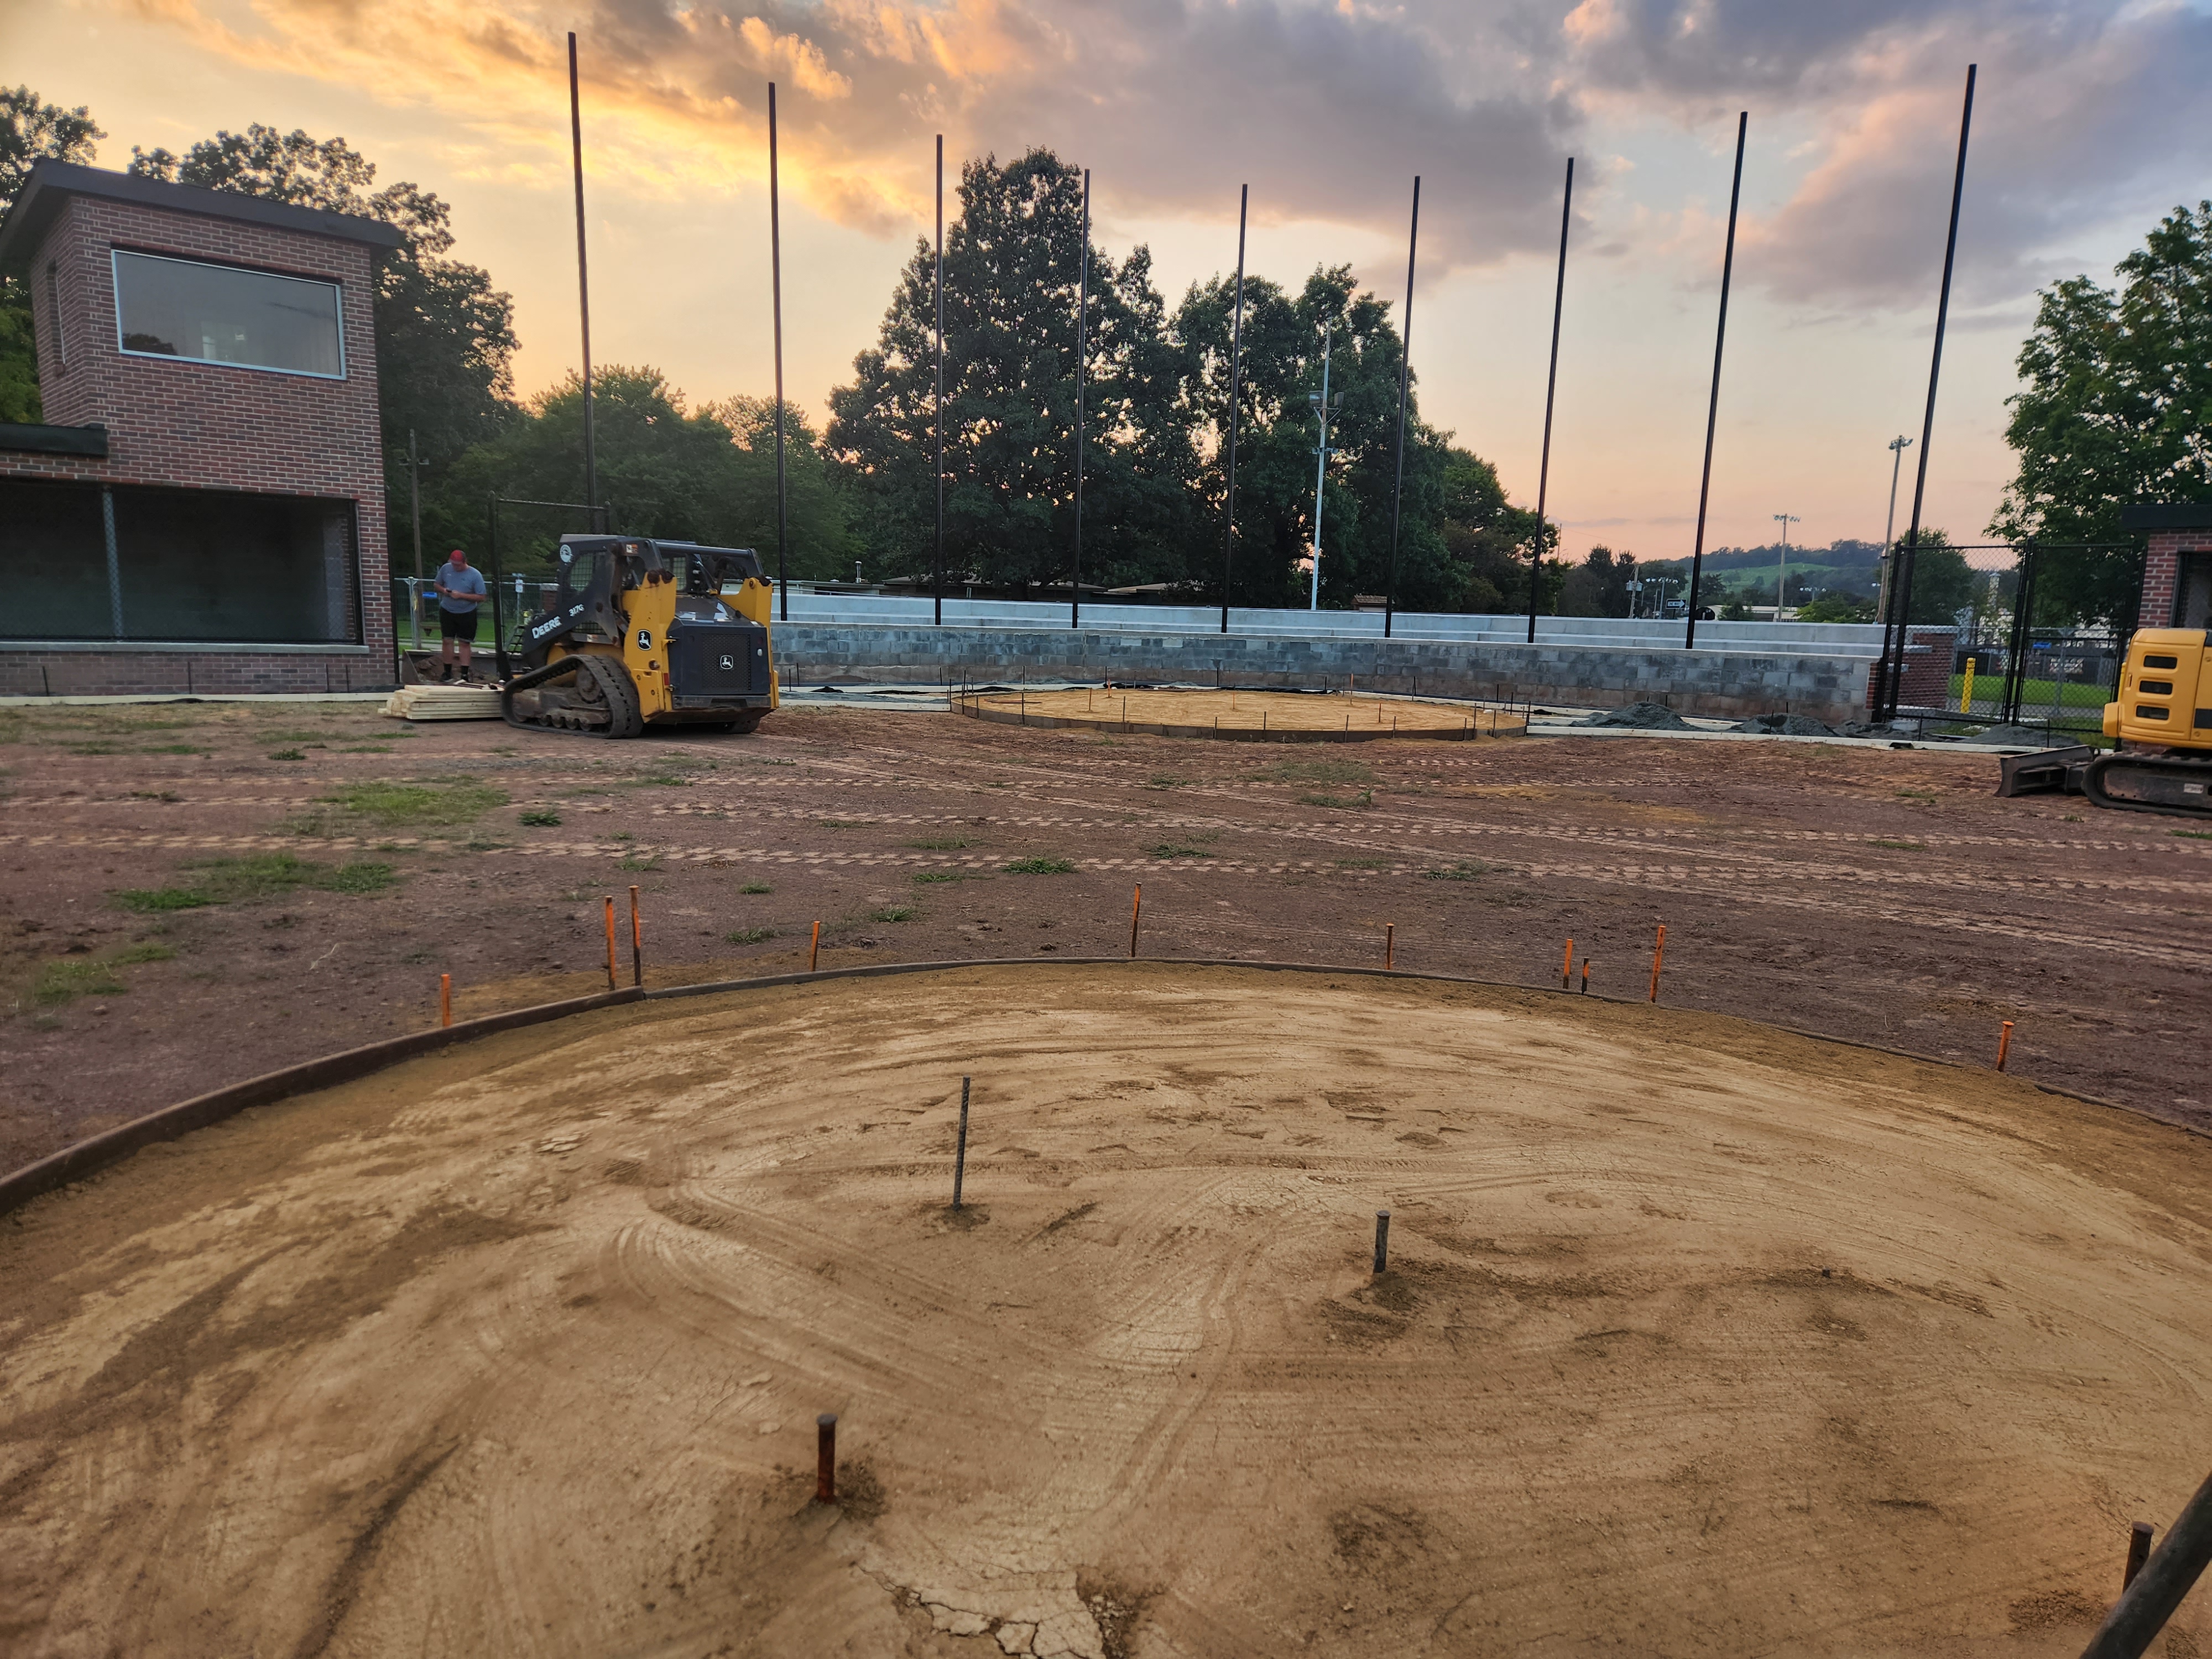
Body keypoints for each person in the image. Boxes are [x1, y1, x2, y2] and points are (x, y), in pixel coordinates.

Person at [432, 547, 487, 682]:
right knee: (447, 640)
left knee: (464, 643)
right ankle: (447, 671)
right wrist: (444, 590)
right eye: (453, 564)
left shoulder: (475, 575)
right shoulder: (446, 569)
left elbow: (481, 597)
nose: (455, 567)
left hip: (466, 612)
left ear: (465, 562)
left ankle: (464, 673)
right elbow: (436, 584)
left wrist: (461, 596)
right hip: (447, 610)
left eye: (458, 564)